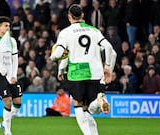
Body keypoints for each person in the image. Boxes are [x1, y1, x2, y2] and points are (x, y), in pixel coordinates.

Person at [50, 4, 117, 135]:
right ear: (82, 15)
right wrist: (108, 68)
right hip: (96, 74)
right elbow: (110, 50)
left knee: (79, 107)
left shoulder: (65, 33)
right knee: (90, 109)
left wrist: (58, 65)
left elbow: (59, 54)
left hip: (77, 74)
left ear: (69, 17)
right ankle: (99, 101)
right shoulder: (95, 31)